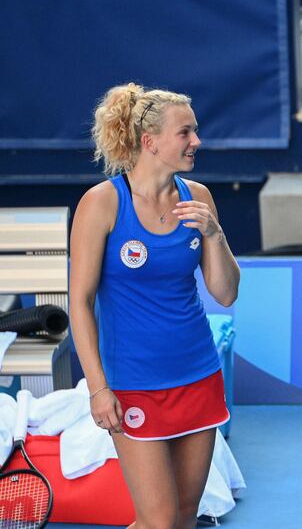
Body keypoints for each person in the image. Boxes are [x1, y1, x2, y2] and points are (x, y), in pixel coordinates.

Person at [69, 83, 240, 528]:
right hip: (133, 384)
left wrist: (215, 235)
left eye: (195, 131)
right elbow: (81, 304)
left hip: (199, 375)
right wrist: (98, 387)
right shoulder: (102, 203)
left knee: (183, 517)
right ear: (151, 143)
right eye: (186, 133)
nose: (197, 142)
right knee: (159, 521)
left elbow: (225, 293)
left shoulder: (198, 199)